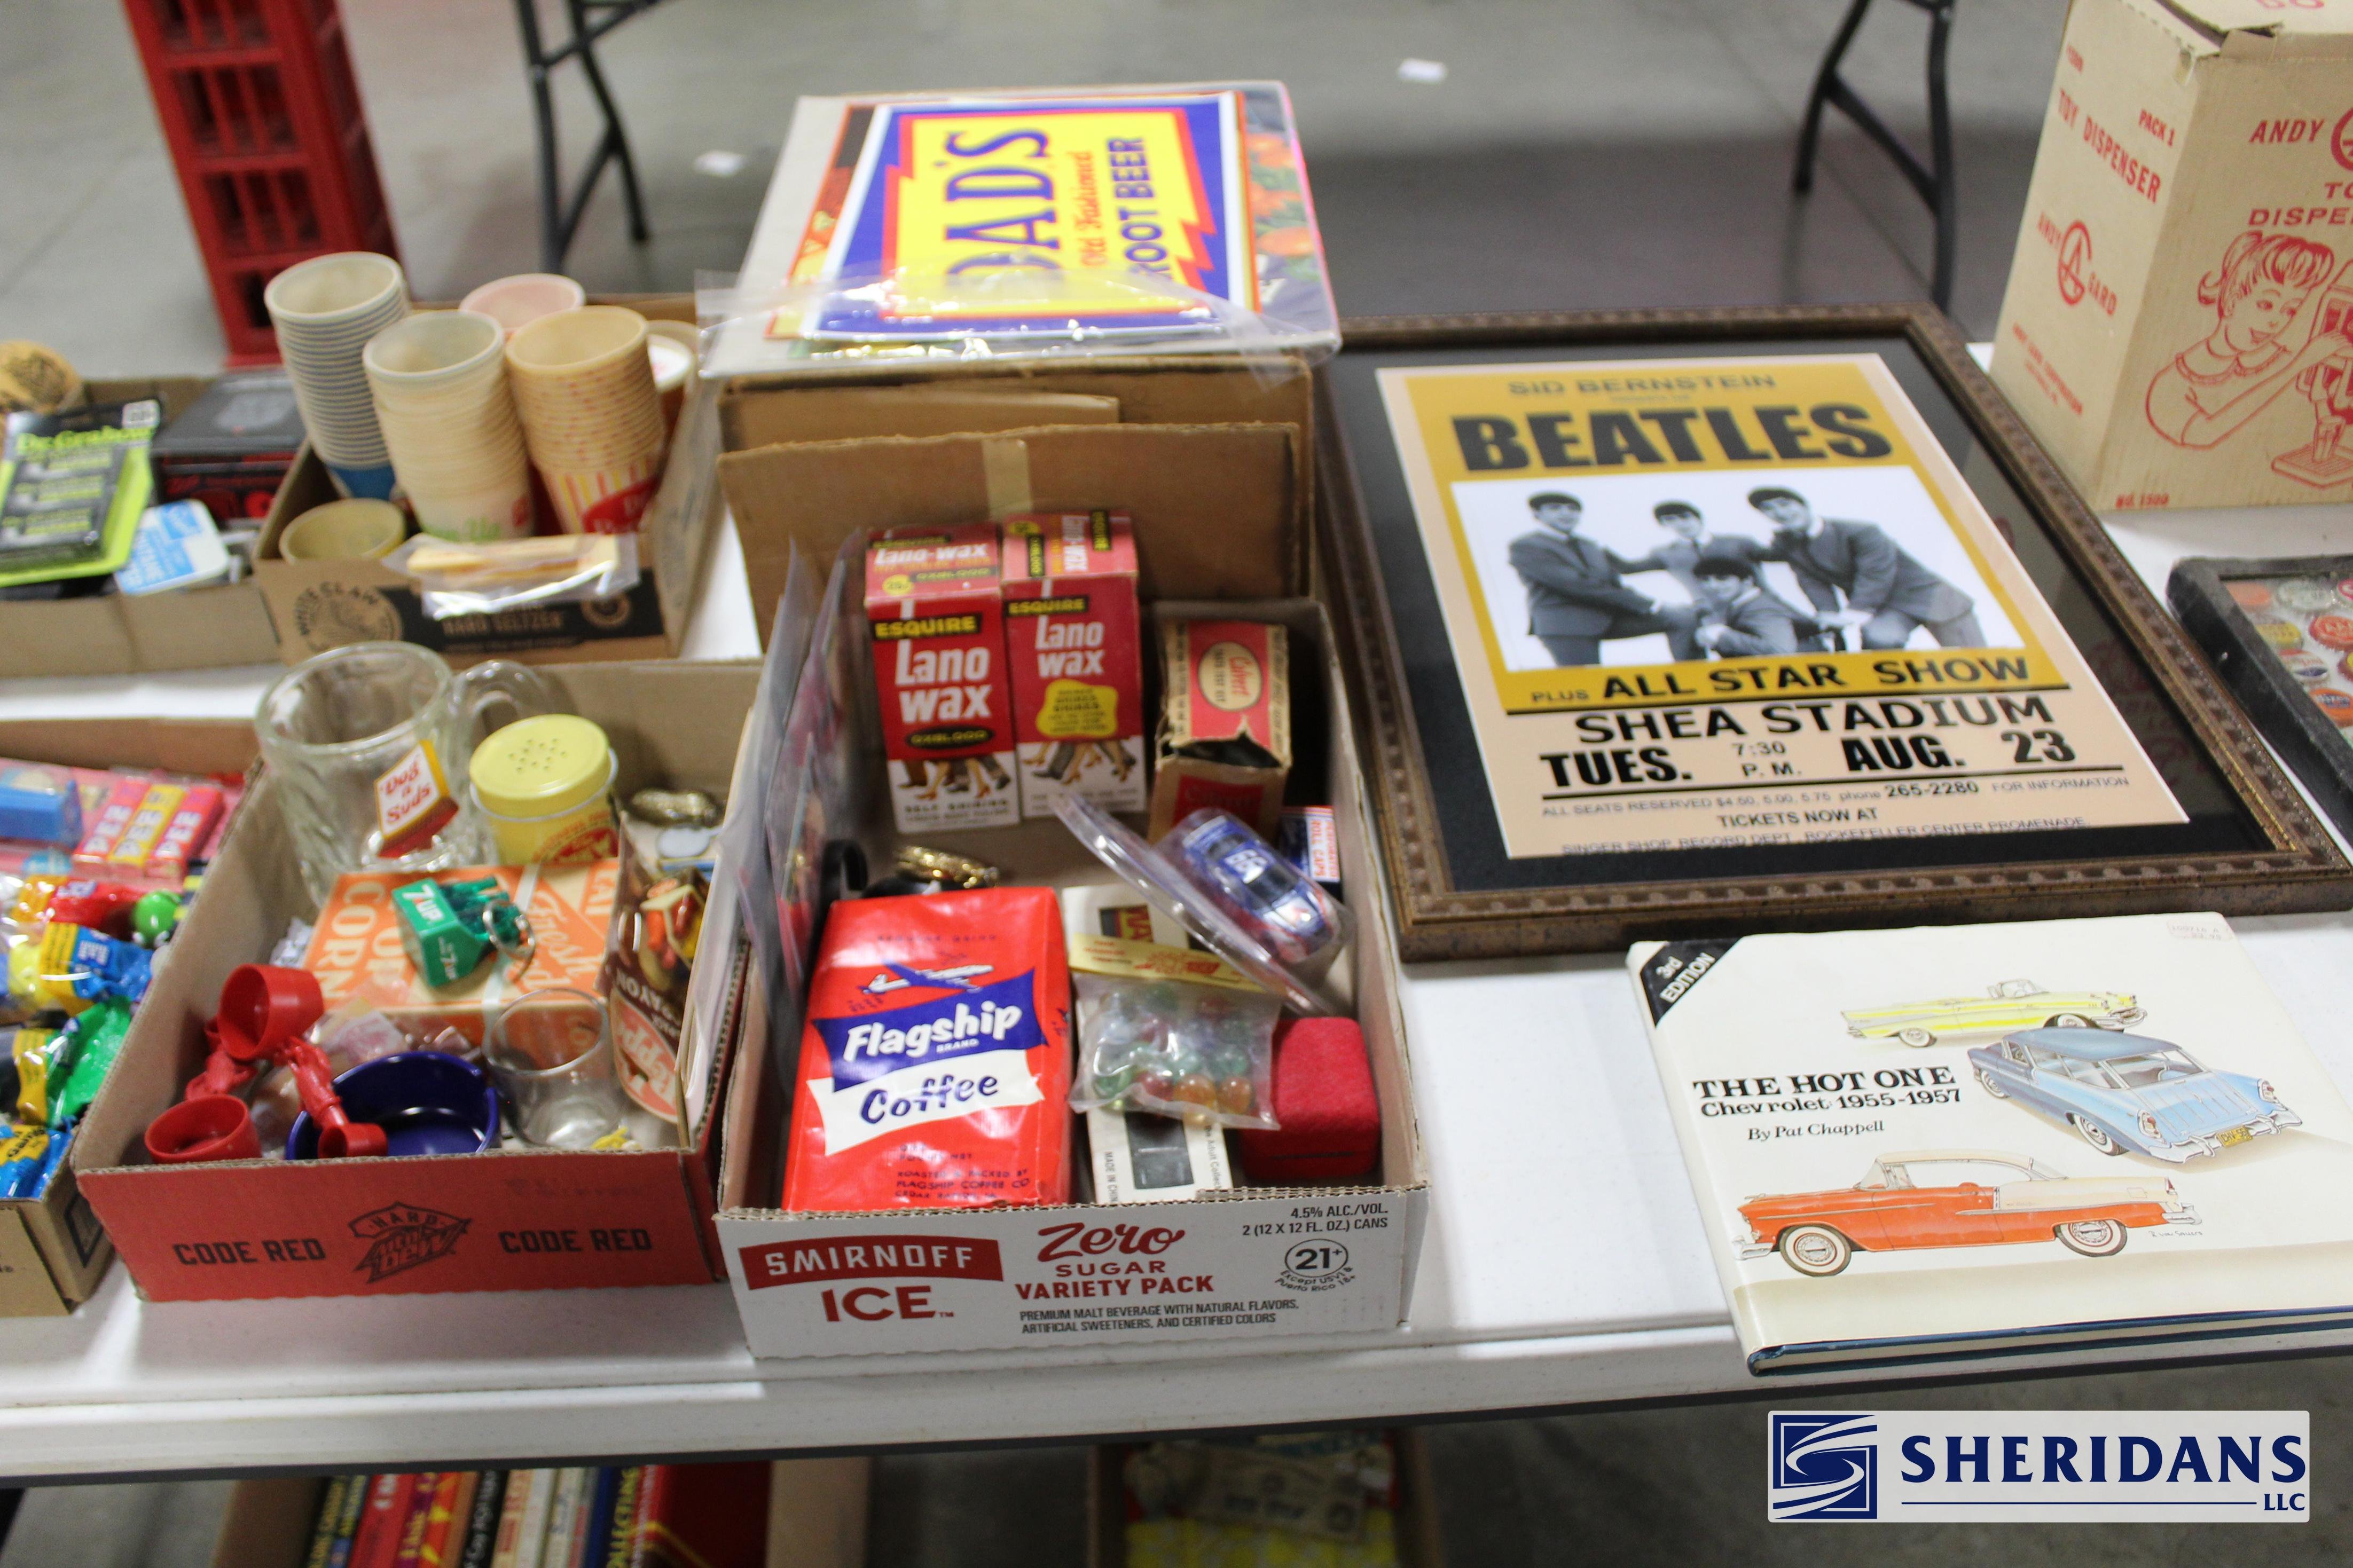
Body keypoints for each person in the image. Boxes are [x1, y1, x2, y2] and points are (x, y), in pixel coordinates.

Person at [2146, 231, 2348, 449]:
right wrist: (2300, 364)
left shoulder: (2282, 357)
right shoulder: (2169, 386)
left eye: (2290, 311)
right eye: (2266, 305)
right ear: (2232, 301)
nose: (2276, 322)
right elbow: (2202, 435)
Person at [1747, 486, 1985, 650]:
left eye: (1785, 504)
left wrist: (1852, 614)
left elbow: (1875, 574)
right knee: (1880, 641)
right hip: (1885, 609)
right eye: (1769, 509)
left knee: (1978, 663)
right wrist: (1828, 614)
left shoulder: (1861, 531)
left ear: (1803, 505)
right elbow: (1812, 582)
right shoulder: (1788, 544)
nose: (1780, 513)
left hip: (1931, 599)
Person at [1507, 492, 1698, 666]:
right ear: (1537, 514)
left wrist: (1665, 605)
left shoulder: (1590, 545)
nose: (1566, 514)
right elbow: (1579, 586)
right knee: (1589, 682)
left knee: (1684, 618)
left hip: (1609, 615)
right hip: (1567, 624)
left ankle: (1690, 675)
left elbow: (1614, 582)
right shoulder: (1526, 546)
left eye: (1573, 509)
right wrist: (1651, 605)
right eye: (1555, 508)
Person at [1621, 501, 1772, 597]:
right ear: (1663, 525)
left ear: (1698, 518)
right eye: (1671, 520)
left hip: (1760, 606)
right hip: (1713, 616)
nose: (1681, 524)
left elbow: (1775, 555)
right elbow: (1627, 569)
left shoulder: (1739, 543)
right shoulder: (1665, 554)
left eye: (1685, 517)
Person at [1689, 555, 1829, 657]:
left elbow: (1781, 651)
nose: (1712, 586)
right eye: (1705, 580)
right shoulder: (1743, 603)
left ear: (1747, 581)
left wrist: (1722, 636)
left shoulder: (1762, 608)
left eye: (1723, 578)